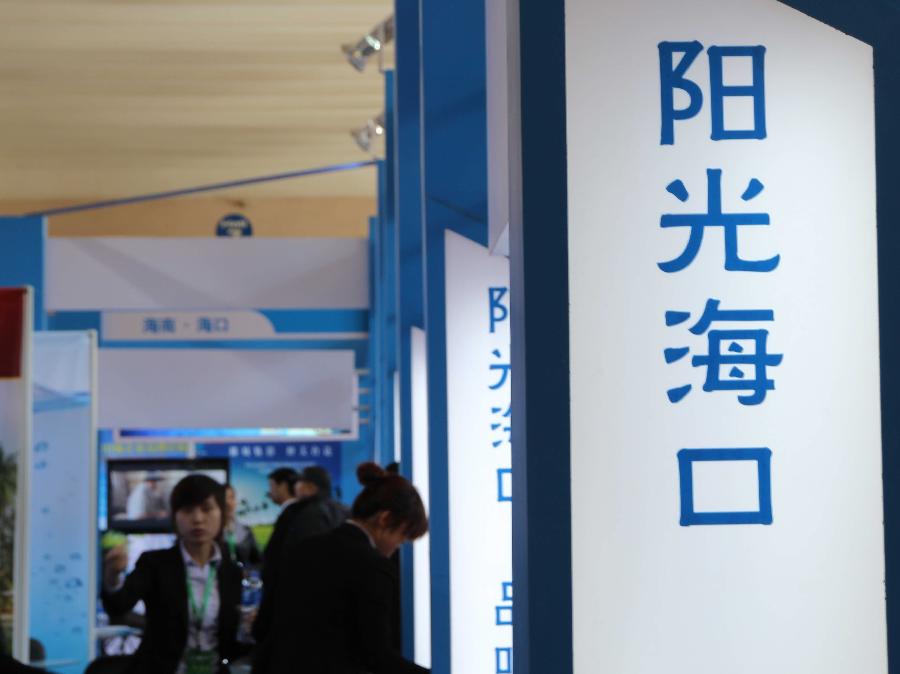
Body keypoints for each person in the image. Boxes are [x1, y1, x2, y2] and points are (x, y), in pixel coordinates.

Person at [259, 462, 430, 674]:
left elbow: (266, 623)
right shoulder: (373, 567)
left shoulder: (304, 548)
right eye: (401, 538)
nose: (397, 548)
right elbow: (376, 655)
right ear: (384, 519)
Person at [102, 475, 244, 674]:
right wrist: (112, 576)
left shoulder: (231, 571)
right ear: (174, 516)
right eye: (187, 510)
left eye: (207, 508)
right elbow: (118, 606)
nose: (198, 519)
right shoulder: (155, 563)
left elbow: (229, 635)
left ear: (222, 514)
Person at [251, 466, 347, 645]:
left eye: (299, 483)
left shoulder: (300, 514)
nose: (296, 487)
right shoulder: (343, 512)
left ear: (309, 487)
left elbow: (280, 564)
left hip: (298, 612)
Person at [222, 484, 261, 567]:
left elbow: (256, 560)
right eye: (223, 498)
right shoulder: (211, 532)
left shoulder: (245, 531)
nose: (228, 502)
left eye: (231, 497)